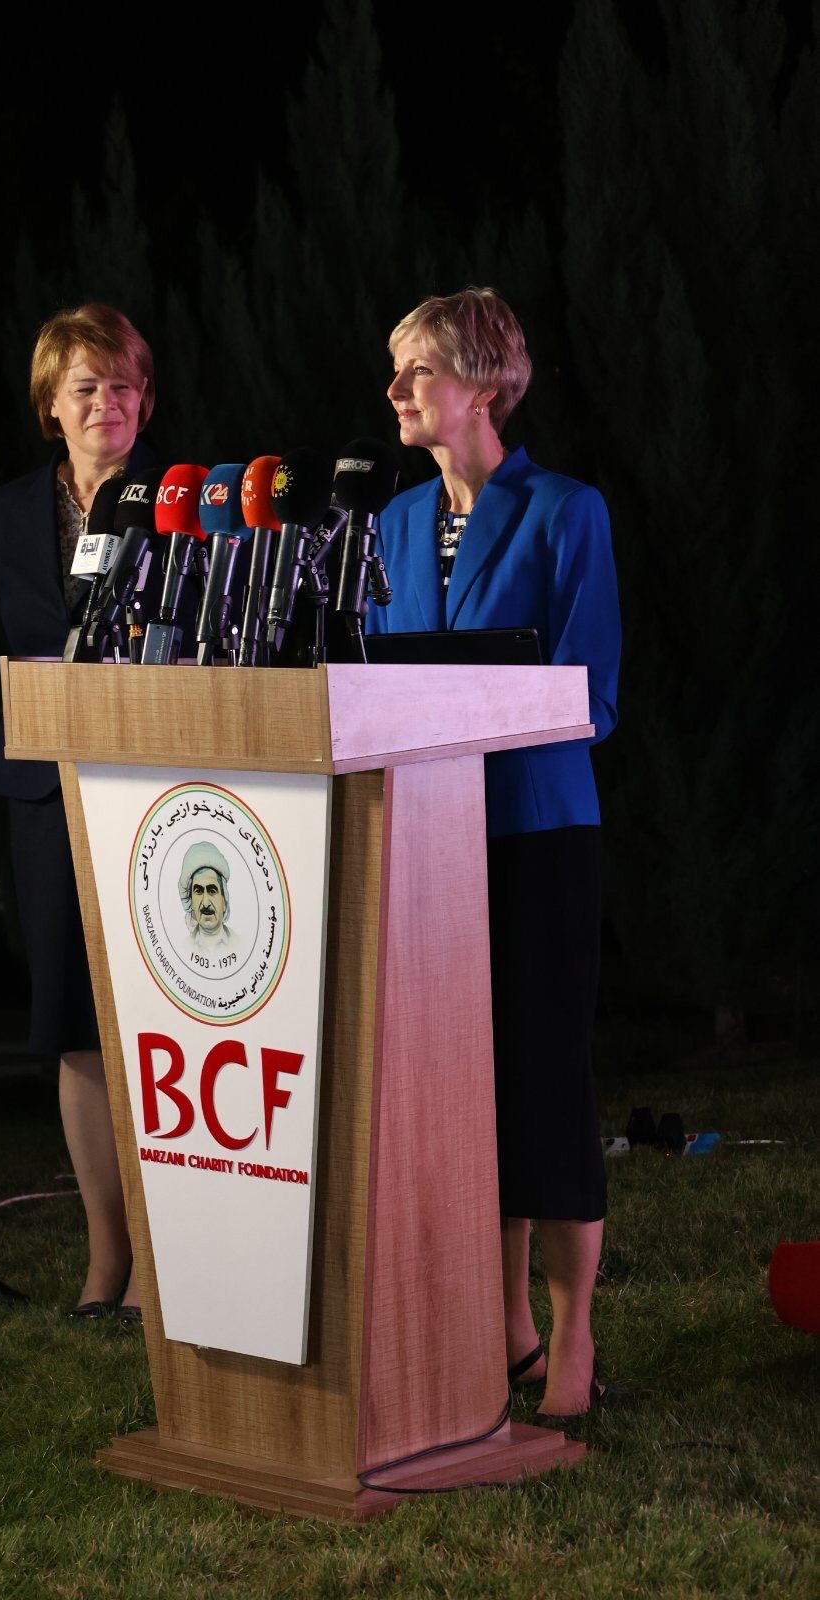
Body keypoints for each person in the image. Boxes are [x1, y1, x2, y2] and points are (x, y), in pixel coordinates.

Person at [370, 287, 621, 1419]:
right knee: (462, 1090)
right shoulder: (388, 525)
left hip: (535, 833)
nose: (396, 390)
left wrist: (467, 711)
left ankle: (571, 1338)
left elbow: (590, 693)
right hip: (425, 840)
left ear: (481, 384)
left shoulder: (566, 511)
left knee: (542, 1085)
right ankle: (501, 1324)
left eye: (417, 370)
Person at [0, 303, 157, 1322]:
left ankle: (161, 1269)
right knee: (76, 1033)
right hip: (46, 788)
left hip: (157, 784)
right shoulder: (6, 514)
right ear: (50, 404)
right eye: (85, 386)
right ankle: (105, 1259)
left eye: (123, 384)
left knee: (154, 1027)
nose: (106, 402)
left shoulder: (186, 499)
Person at [178, 842, 242, 953]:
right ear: (191, 901)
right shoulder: (182, 950)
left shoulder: (240, 945)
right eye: (198, 891)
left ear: (224, 901)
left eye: (212, 891)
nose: (205, 902)